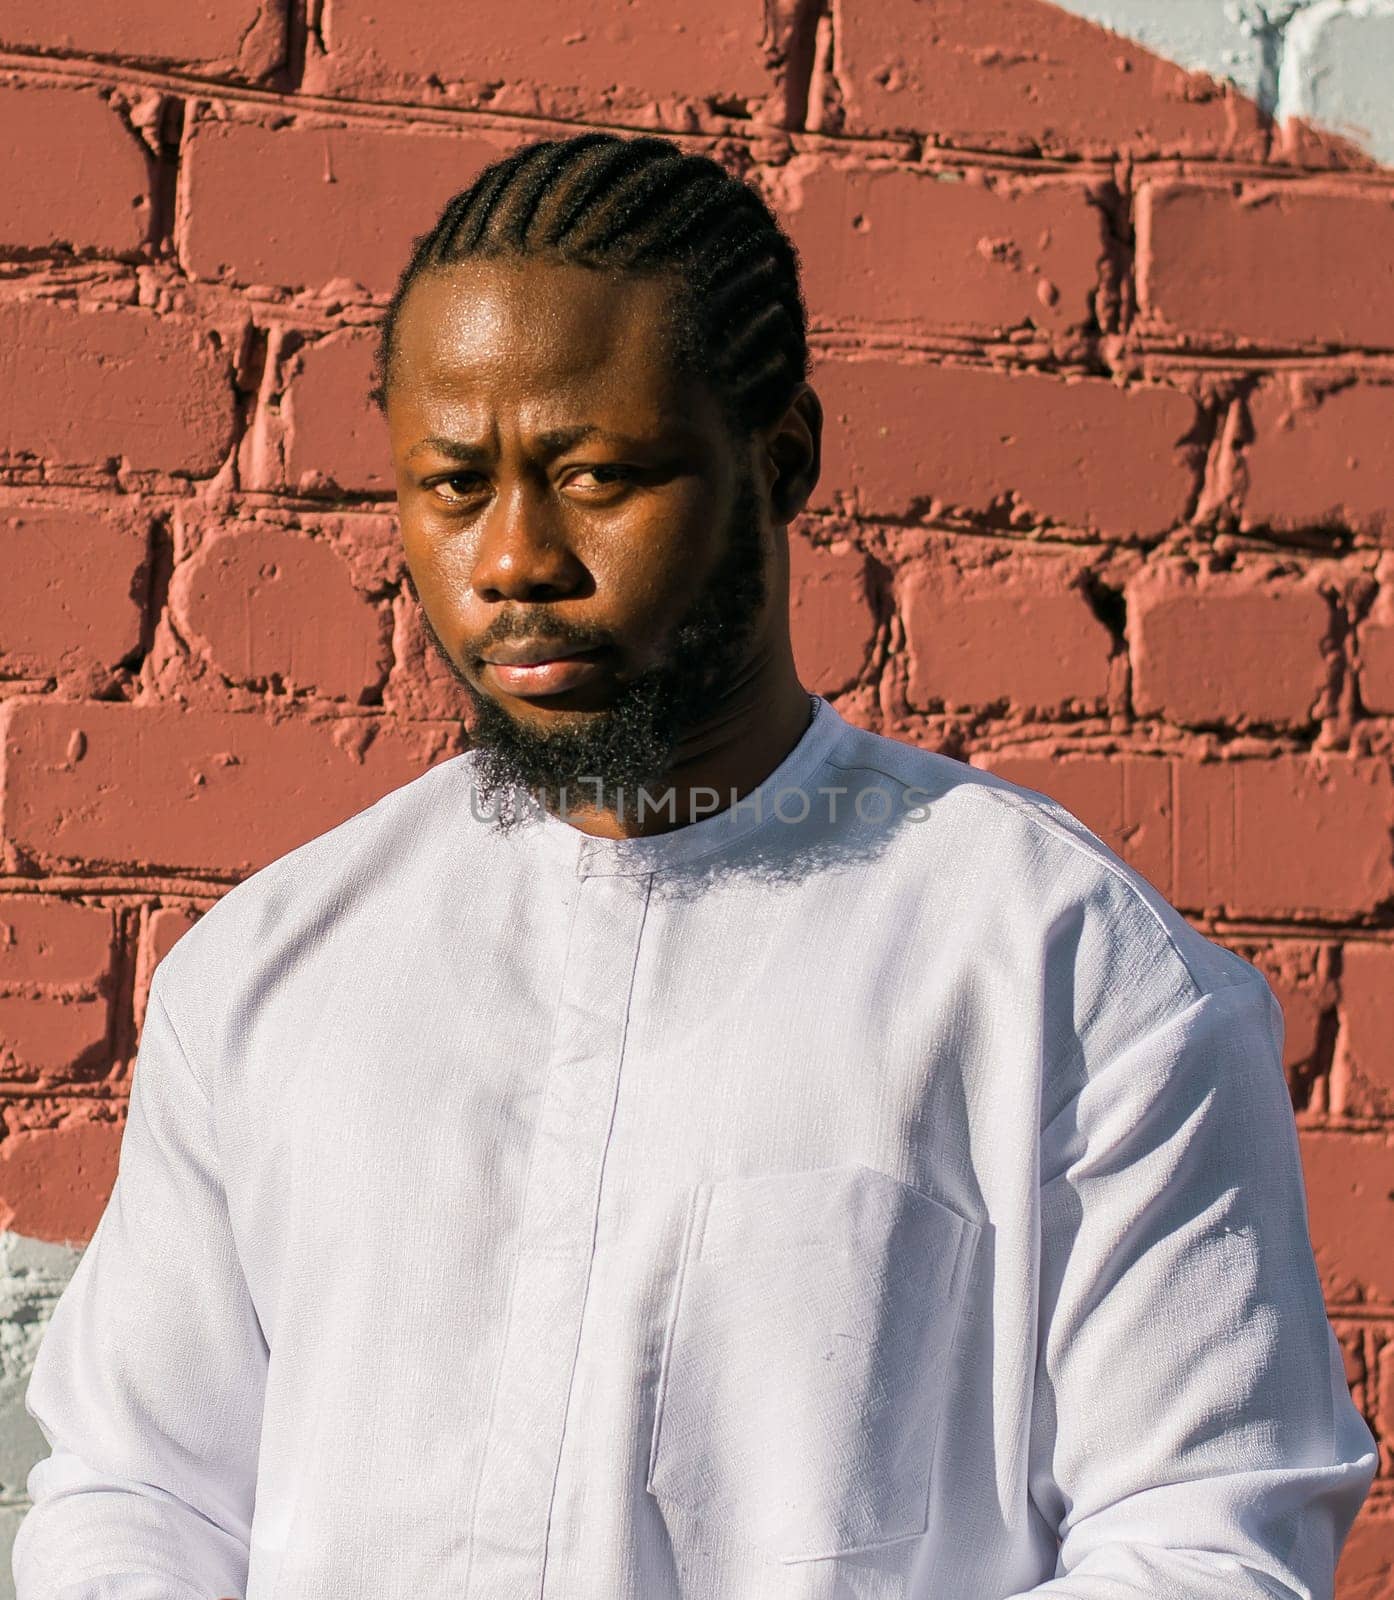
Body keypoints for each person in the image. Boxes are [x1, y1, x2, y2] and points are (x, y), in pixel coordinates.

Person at [13, 131, 1376, 1600]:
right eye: (453, 486)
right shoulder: (269, 975)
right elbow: (135, 1492)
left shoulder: (1065, 970)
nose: (515, 558)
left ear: (777, 460)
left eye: (596, 476)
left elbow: (1203, 1536)